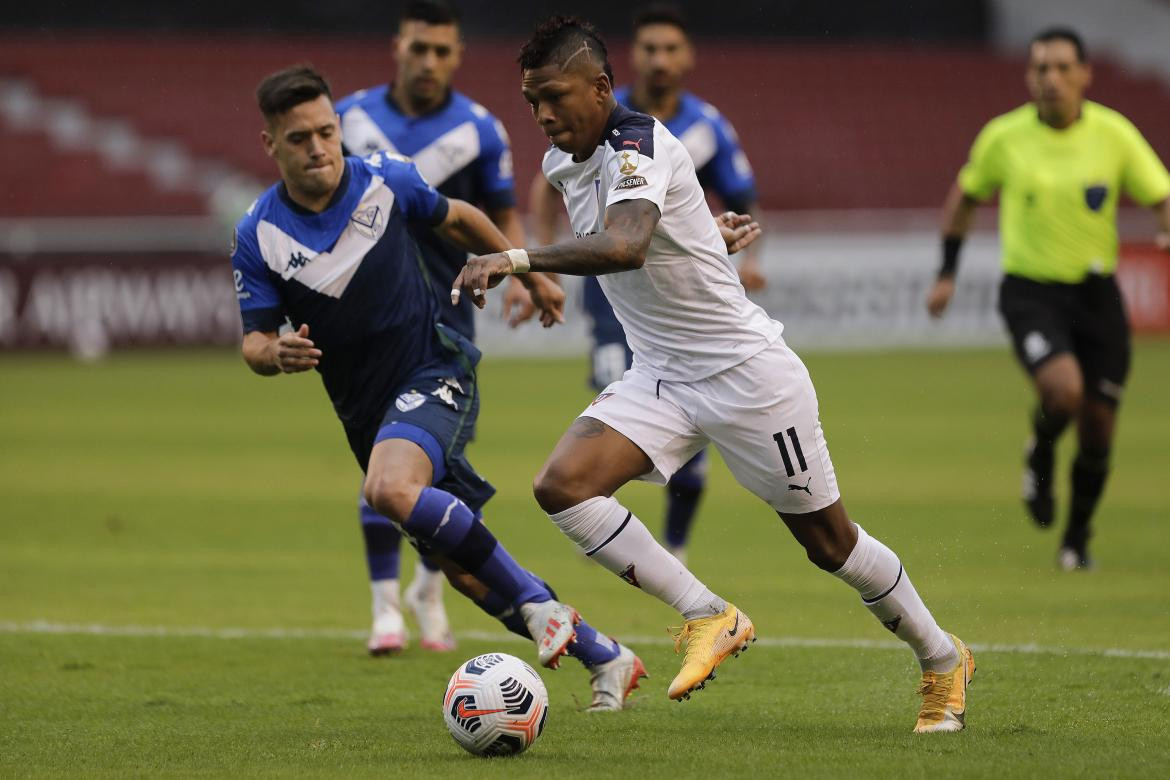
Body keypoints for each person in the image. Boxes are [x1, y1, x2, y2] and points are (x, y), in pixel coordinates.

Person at [454, 17, 973, 733]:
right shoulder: (561, 164)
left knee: (831, 545)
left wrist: (515, 260)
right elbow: (661, 233)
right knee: (562, 487)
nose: (541, 115)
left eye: (554, 95)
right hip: (663, 376)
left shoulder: (641, 141)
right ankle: (708, 614)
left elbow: (627, 244)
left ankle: (942, 658)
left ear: (601, 88)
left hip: (747, 375)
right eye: (530, 100)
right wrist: (703, 235)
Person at [231, 64, 649, 711]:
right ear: (270, 145)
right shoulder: (258, 233)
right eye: (299, 139)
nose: (318, 149)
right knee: (466, 570)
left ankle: (542, 609)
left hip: (434, 366)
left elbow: (460, 219)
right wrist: (274, 352)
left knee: (387, 489)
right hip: (364, 413)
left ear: (338, 128)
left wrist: (527, 272)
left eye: (325, 132)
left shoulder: (385, 180)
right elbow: (252, 340)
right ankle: (607, 657)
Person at [334, 0, 538, 656]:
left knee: (430, 471)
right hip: (366, 321)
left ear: (457, 55)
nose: (428, 62)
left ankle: (429, 591)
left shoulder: (480, 130)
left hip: (446, 324)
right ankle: (384, 608)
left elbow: (505, 215)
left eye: (441, 51)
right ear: (398, 46)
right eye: (418, 48)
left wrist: (523, 273)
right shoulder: (347, 120)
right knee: (381, 466)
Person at [528, 2, 764, 565]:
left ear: (687, 57)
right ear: (630, 58)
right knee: (614, 404)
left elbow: (734, 197)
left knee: (692, 445)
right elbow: (552, 188)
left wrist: (714, 239)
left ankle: (674, 551)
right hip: (612, 296)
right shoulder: (590, 113)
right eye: (649, 48)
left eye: (669, 49)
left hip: (681, 303)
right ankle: (629, 539)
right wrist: (542, 261)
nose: (659, 59)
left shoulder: (705, 128)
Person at [926, 27, 1170, 571]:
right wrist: (946, 273)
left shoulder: (1114, 134)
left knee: (1100, 424)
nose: (1051, 79)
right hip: (1031, 292)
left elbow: (1161, 195)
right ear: (1029, 76)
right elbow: (963, 199)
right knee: (1064, 393)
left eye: (1062, 68)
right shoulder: (1004, 138)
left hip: (1097, 295)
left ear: (1085, 74)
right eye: (1041, 68)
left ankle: (1076, 540)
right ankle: (1039, 452)